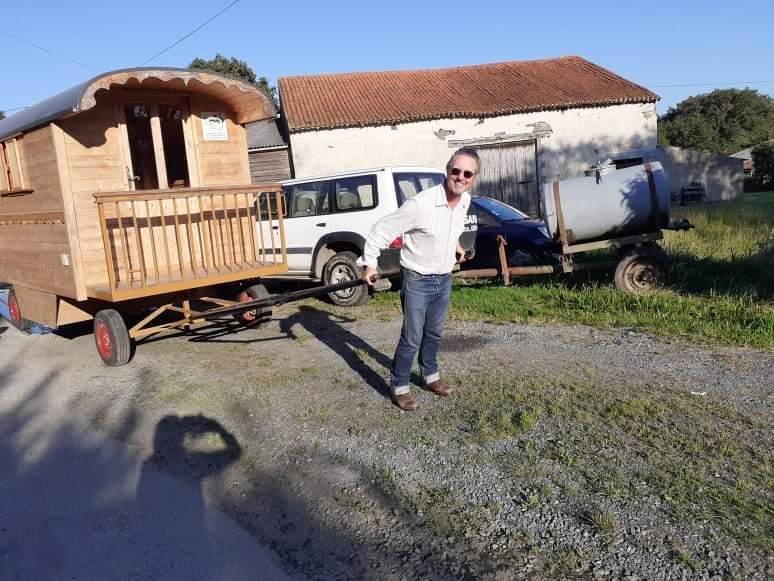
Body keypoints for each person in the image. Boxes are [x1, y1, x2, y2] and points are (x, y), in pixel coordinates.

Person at [361, 147, 480, 410]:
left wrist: (458, 248)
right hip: (416, 279)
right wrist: (370, 264)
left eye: (467, 174)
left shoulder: (465, 201)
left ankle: (430, 376)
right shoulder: (420, 204)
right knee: (412, 337)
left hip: (444, 278)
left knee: (434, 332)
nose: (460, 177)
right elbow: (381, 230)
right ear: (447, 171)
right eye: (456, 171)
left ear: (473, 178)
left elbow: (451, 229)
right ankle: (399, 386)